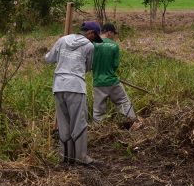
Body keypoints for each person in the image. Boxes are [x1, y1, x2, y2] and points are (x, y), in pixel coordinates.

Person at [45, 21, 103, 165]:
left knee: (63, 122)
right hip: (76, 86)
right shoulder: (89, 46)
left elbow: (48, 58)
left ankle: (66, 157)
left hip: (58, 86)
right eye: (94, 37)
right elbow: (88, 67)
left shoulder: (62, 40)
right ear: (90, 33)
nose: (94, 40)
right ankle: (81, 158)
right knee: (79, 122)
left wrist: (63, 58)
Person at [92, 23, 136, 124]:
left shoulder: (93, 44)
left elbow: (90, 64)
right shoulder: (114, 46)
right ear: (109, 32)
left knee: (98, 111)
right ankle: (132, 123)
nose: (114, 37)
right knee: (124, 102)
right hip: (112, 82)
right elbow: (115, 65)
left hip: (98, 83)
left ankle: (98, 130)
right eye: (113, 34)